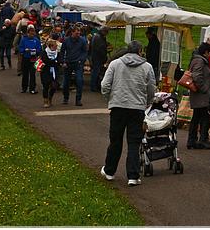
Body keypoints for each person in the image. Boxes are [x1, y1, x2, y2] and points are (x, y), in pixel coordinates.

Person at [101, 40, 156, 186]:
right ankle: (133, 175)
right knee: (134, 142)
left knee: (115, 140)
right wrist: (148, 102)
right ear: (140, 51)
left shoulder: (115, 64)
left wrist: (110, 98)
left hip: (118, 106)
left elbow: (105, 85)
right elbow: (151, 88)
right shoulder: (147, 67)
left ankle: (109, 171)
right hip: (137, 108)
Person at [187, 42, 210, 149]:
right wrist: (205, 89)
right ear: (205, 52)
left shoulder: (197, 60)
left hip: (199, 95)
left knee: (197, 117)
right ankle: (200, 139)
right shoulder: (200, 61)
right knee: (203, 117)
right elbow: (197, 76)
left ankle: (193, 140)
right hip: (201, 95)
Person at [61, 26, 88, 106]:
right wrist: (63, 61)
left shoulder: (82, 40)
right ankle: (65, 98)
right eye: (76, 33)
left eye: (79, 33)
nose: (78, 34)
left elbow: (85, 51)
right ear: (72, 33)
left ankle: (78, 99)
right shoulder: (66, 40)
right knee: (66, 82)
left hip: (78, 63)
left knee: (79, 80)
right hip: (68, 63)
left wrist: (81, 60)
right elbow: (62, 51)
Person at [39, 38, 62, 107]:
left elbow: (59, 61)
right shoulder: (44, 52)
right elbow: (46, 61)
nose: (56, 48)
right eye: (55, 46)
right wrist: (54, 62)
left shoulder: (57, 53)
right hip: (45, 71)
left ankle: (50, 97)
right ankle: (45, 101)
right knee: (45, 86)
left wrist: (54, 62)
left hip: (54, 71)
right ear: (50, 46)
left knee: (54, 86)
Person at [18, 25, 41, 94]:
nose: (31, 35)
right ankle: (24, 88)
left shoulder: (36, 40)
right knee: (25, 74)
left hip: (33, 58)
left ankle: (32, 88)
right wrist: (24, 50)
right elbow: (20, 48)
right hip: (26, 58)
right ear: (27, 33)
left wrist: (36, 51)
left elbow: (39, 48)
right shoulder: (23, 39)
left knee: (32, 74)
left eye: (33, 33)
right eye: (30, 33)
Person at [89, 27, 110, 93]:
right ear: (104, 31)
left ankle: (94, 86)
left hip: (94, 57)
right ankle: (93, 87)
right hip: (97, 58)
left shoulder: (96, 36)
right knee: (96, 72)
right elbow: (100, 49)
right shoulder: (99, 38)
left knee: (95, 72)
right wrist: (105, 57)